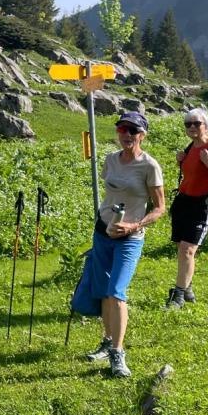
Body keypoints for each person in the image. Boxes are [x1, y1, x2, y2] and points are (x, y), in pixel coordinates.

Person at [83, 112, 166, 378]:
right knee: (103, 291)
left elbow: (160, 208)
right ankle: (107, 342)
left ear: (142, 135)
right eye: (122, 129)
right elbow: (110, 194)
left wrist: (133, 226)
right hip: (103, 233)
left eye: (133, 130)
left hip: (129, 238)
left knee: (117, 292)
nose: (127, 135)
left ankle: (117, 354)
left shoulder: (149, 166)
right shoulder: (110, 160)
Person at [166, 108, 208, 309]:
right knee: (182, 248)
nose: (192, 127)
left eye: (197, 123)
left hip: (203, 206)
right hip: (183, 202)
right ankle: (187, 289)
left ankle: (177, 296)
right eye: (188, 124)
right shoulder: (189, 149)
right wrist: (180, 161)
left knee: (187, 250)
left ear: (206, 125)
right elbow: (192, 176)